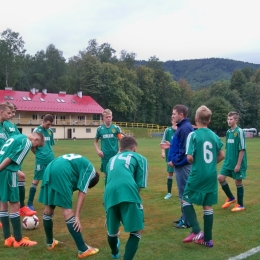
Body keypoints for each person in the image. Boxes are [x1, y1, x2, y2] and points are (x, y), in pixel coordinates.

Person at [38, 154, 100, 258]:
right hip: (62, 171)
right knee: (68, 211)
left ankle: (50, 242)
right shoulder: (91, 171)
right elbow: (82, 192)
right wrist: (77, 216)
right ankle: (83, 249)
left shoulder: (82, 164)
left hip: (51, 167)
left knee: (48, 208)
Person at [182, 105, 225, 248]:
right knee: (208, 206)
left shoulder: (193, 135)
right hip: (211, 174)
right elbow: (222, 155)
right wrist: (211, 164)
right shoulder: (214, 136)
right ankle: (208, 239)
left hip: (197, 174)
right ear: (209, 120)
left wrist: (196, 160)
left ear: (196, 119)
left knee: (185, 199)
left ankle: (196, 231)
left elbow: (189, 158)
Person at [104, 136, 148, 260]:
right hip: (128, 191)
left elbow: (107, 182)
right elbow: (140, 184)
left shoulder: (111, 160)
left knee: (112, 231)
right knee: (137, 230)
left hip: (109, 194)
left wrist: (107, 209)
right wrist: (133, 198)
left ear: (120, 148)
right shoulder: (140, 158)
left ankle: (114, 253)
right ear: (134, 148)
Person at [0, 131, 45, 247]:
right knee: (15, 204)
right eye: (37, 146)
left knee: (3, 203)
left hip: (2, 173)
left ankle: (8, 238)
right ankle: (19, 240)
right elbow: (12, 158)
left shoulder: (16, 136)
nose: (34, 148)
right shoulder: (27, 143)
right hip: (8, 173)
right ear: (35, 140)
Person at [3, 101, 37, 217]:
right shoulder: (4, 125)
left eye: (14, 112)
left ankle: (18, 208)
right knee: (19, 178)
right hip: (5, 159)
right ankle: (19, 208)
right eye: (10, 112)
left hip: (11, 158)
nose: (12, 115)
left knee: (10, 185)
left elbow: (18, 138)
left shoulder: (9, 125)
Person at [163, 104, 193, 228]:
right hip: (180, 165)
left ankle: (187, 222)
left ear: (181, 115)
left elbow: (185, 149)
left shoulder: (185, 128)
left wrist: (174, 160)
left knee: (184, 194)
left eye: (174, 113)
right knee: (183, 193)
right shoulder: (182, 127)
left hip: (183, 166)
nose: (172, 116)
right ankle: (184, 217)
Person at [218, 111, 247, 212]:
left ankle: (240, 205)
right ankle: (231, 198)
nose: (229, 121)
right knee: (220, 178)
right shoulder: (228, 132)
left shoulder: (240, 132)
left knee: (238, 182)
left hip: (237, 162)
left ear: (236, 120)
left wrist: (238, 164)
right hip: (228, 162)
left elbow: (242, 149)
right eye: (228, 119)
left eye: (231, 119)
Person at [27, 114, 55, 210]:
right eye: (48, 124)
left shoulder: (50, 131)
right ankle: (30, 203)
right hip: (40, 160)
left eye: (50, 124)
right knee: (36, 180)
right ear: (43, 121)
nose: (49, 126)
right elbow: (31, 146)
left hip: (51, 159)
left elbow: (50, 146)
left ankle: (49, 200)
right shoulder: (36, 131)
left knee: (50, 180)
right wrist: (38, 155)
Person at [94, 109, 122, 177]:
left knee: (115, 173)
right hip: (105, 155)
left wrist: (119, 150)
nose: (108, 118)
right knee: (107, 174)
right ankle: (107, 187)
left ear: (112, 117)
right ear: (103, 118)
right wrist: (98, 150)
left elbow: (121, 140)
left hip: (115, 155)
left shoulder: (116, 128)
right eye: (106, 117)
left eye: (109, 116)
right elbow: (95, 141)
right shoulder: (100, 129)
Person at [160, 118, 177, 199]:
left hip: (179, 155)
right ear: (171, 121)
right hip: (170, 156)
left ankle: (182, 192)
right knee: (170, 173)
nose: (175, 122)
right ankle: (169, 193)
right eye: (173, 120)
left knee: (180, 174)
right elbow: (163, 143)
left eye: (176, 121)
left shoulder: (181, 130)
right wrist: (163, 152)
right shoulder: (168, 130)